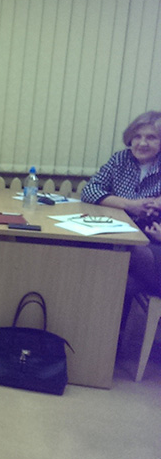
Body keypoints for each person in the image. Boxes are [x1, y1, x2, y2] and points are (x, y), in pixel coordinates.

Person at [81, 110, 161, 320]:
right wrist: (129, 205)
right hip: (122, 235)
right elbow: (90, 190)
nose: (142, 143)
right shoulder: (121, 159)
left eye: (151, 137)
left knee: (125, 255)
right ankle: (110, 334)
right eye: (137, 136)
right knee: (119, 281)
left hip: (153, 244)